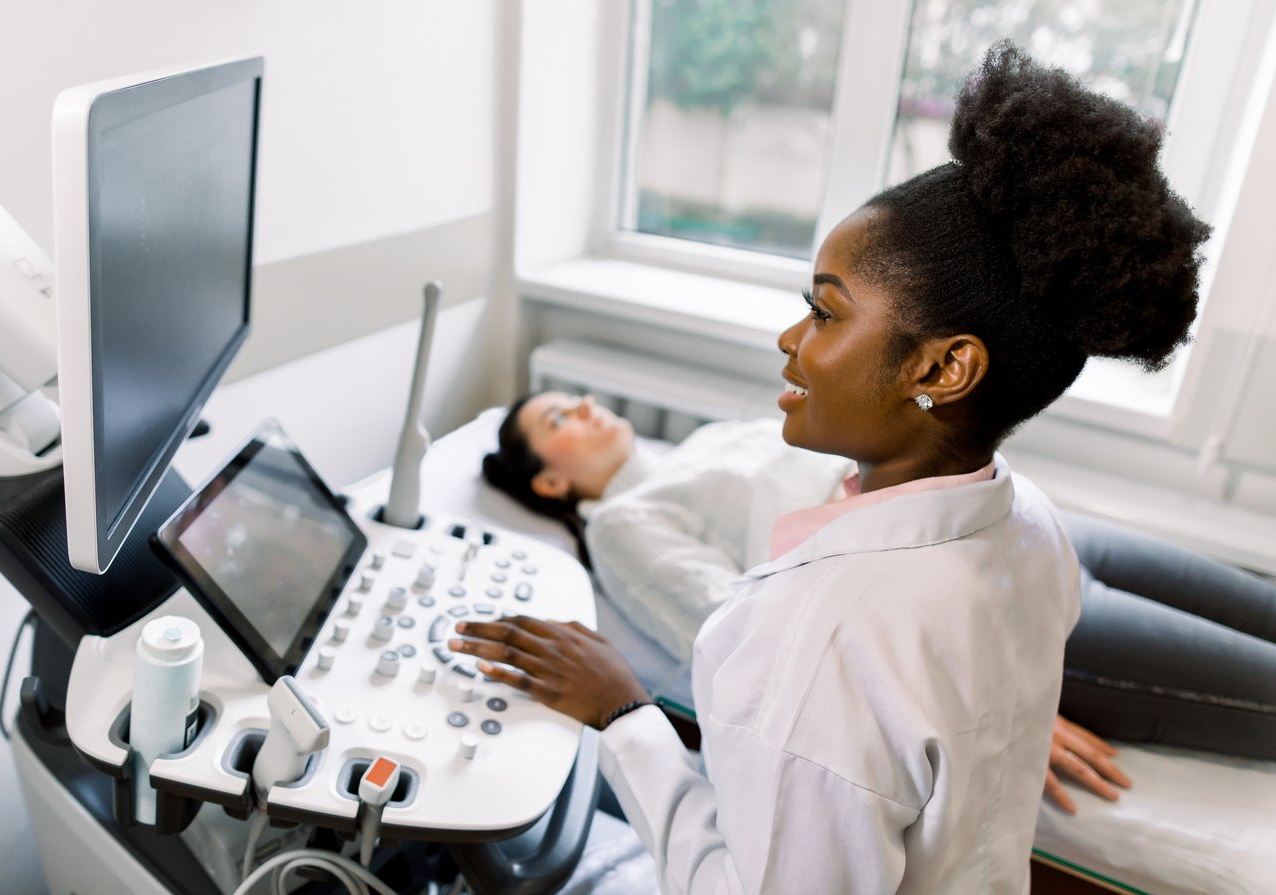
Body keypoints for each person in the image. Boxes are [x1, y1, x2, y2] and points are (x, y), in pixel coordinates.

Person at [449, 43, 1210, 892]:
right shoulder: (1029, 521)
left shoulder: (824, 644)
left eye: (824, 310)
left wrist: (624, 713)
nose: (790, 338)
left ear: (942, 368)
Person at [484, 392, 1276, 812]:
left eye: (575, 397)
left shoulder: (702, 443)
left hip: (1031, 524)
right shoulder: (626, 522)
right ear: (550, 480)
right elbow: (752, 634)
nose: (584, 406)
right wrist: (986, 706)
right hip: (997, 611)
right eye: (559, 417)